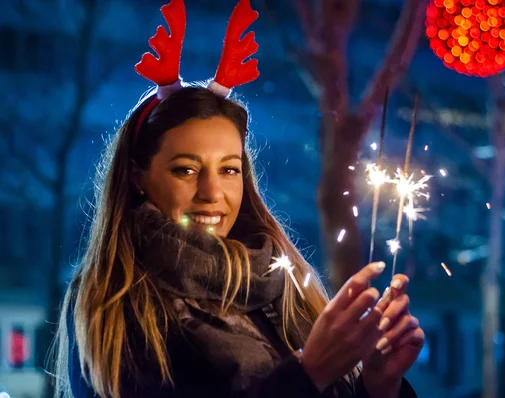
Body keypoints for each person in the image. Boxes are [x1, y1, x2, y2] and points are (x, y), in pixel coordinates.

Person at [52, 0, 425, 397]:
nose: (212, 194)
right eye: (186, 170)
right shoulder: (117, 300)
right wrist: (307, 373)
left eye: (229, 169)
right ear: (137, 176)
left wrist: (378, 386)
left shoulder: (284, 286)